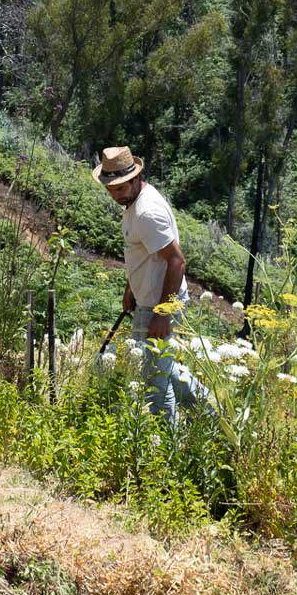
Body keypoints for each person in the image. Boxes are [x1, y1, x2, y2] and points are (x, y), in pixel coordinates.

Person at [92, 145, 204, 419]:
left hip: (159, 304)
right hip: (148, 300)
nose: (114, 193)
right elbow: (143, 253)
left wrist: (161, 313)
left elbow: (177, 261)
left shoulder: (146, 212)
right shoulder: (133, 202)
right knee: (163, 370)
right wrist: (131, 287)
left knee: (154, 381)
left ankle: (167, 450)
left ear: (135, 178)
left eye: (119, 187)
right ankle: (213, 415)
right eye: (110, 187)